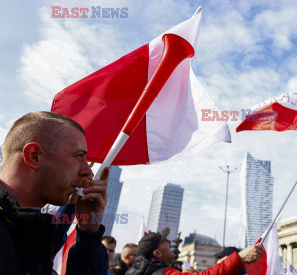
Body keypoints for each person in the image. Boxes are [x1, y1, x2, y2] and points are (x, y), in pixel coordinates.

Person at [0, 111, 109, 275]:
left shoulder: (31, 234)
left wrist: (89, 234)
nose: (88, 171)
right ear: (34, 156)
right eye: (79, 156)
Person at [126, 227, 263, 275]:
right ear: (157, 253)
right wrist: (239, 258)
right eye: (165, 241)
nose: (170, 242)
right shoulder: (163, 273)